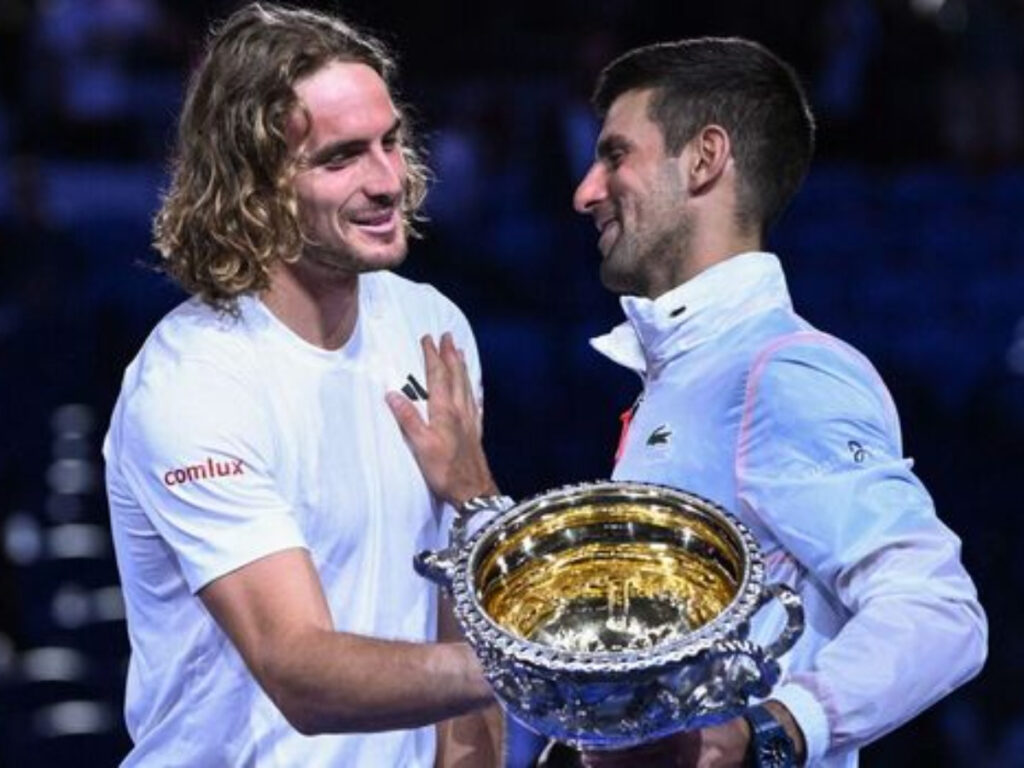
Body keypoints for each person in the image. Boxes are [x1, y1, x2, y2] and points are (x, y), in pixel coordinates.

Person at [561, 38, 987, 766]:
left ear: (704, 159)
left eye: (616, 155)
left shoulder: (781, 373)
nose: (586, 191)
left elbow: (938, 612)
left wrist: (771, 731)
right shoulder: (686, 377)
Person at [102, 4, 503, 766]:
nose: (388, 179)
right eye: (342, 157)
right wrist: (529, 664)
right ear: (255, 183)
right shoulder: (193, 382)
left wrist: (478, 506)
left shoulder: (431, 327)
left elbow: (459, 610)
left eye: (391, 142)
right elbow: (301, 672)